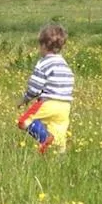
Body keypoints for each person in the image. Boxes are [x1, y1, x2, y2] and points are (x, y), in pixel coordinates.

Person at [17, 23, 74, 153]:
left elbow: (34, 88)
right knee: (58, 139)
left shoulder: (43, 63)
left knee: (24, 121)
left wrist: (25, 100)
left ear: (43, 45)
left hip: (48, 103)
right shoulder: (64, 63)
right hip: (65, 106)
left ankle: (45, 137)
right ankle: (57, 159)